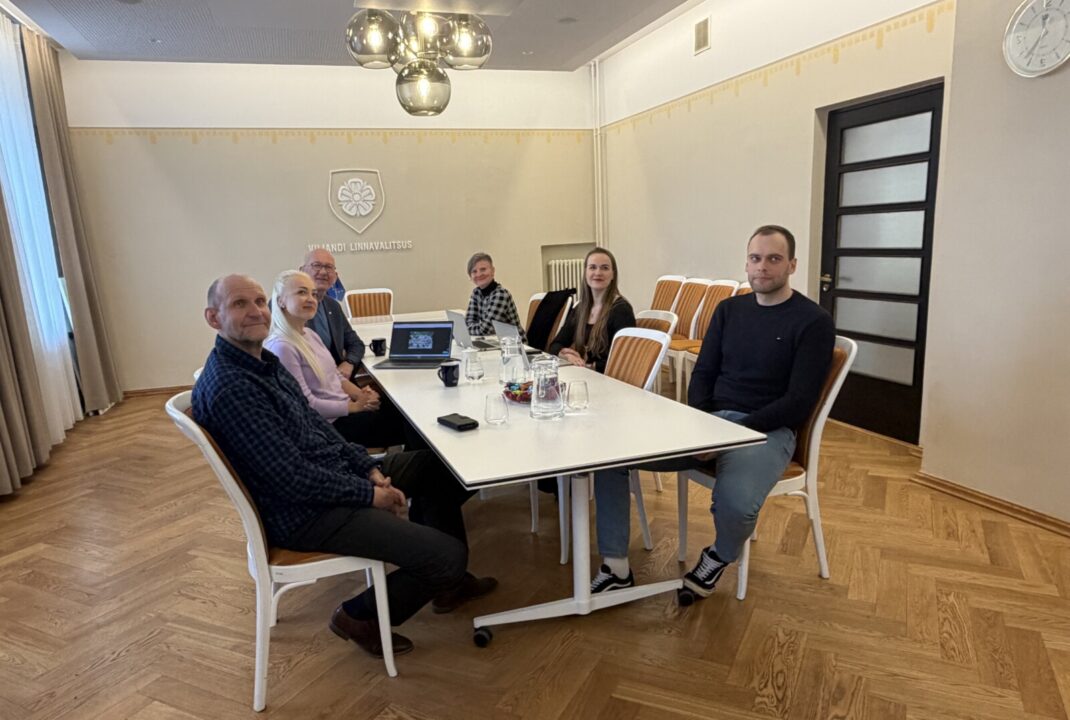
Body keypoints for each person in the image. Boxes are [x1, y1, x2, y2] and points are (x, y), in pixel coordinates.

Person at [192, 274, 496, 659]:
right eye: (239, 304)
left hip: (331, 478)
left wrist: (367, 469)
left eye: (258, 301)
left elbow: (316, 425)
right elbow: (291, 479)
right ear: (213, 318)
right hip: (305, 513)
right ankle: (359, 615)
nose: (256, 311)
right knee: (448, 556)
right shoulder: (232, 387)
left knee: (446, 468)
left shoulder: (262, 362)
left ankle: (442, 576)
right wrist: (369, 494)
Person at [589, 226, 834, 600]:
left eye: (774, 259)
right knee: (611, 455)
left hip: (766, 430)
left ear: (792, 265)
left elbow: (799, 401)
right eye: (755, 258)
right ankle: (616, 567)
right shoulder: (729, 310)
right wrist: (702, 425)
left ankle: (719, 555)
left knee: (737, 505)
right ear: (746, 263)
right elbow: (702, 374)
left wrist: (731, 435)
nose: (763, 267)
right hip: (711, 422)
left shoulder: (812, 321)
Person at [264, 270, 410, 449]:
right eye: (301, 292)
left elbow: (336, 376)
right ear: (280, 301)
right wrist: (355, 407)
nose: (311, 299)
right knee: (411, 425)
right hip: (330, 426)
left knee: (408, 409)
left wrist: (361, 396)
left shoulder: (309, 334)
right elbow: (306, 406)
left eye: (313, 294)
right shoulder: (282, 347)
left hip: (344, 408)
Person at [549, 247, 636, 374]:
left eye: (604, 268)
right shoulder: (580, 308)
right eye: (592, 267)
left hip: (610, 379)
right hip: (586, 374)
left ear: (613, 274)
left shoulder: (622, 310)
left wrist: (588, 366)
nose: (598, 273)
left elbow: (624, 359)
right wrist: (566, 355)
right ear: (585, 273)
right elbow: (555, 345)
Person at [300, 249, 365, 381]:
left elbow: (356, 343)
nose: (323, 272)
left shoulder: (333, 306)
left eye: (329, 267)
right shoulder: (289, 307)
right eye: (317, 265)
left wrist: (349, 362)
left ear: (335, 276)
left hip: (338, 381)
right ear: (302, 271)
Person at [464, 252, 526, 342]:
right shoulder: (476, 293)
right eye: (474, 271)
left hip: (514, 345)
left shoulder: (501, 294)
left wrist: (468, 329)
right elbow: (468, 322)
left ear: (493, 271)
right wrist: (469, 328)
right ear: (470, 276)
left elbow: (485, 330)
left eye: (483, 269)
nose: (479, 274)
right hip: (493, 342)